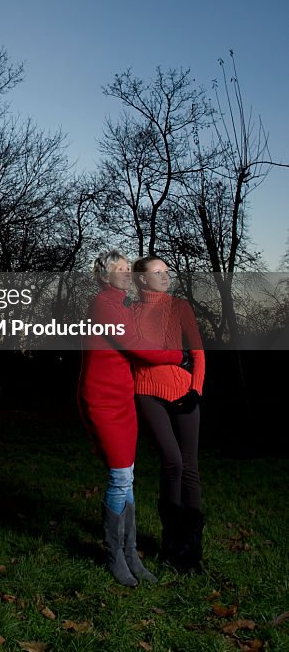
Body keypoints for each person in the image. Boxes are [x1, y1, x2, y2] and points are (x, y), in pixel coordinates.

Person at [78, 250, 189, 587]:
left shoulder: (122, 307)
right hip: (103, 399)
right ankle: (115, 555)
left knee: (127, 476)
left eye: (129, 268)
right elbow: (135, 344)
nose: (127, 273)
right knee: (120, 477)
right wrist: (176, 355)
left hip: (123, 398)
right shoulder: (103, 305)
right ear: (104, 276)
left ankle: (130, 553)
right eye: (119, 269)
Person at [132, 255, 205, 572]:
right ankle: (171, 543)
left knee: (190, 466)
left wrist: (196, 389)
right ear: (142, 279)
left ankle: (191, 549)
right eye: (157, 272)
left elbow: (198, 352)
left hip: (185, 391)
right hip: (147, 391)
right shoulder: (131, 312)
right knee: (172, 461)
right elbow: (139, 353)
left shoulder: (180, 307)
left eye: (166, 271)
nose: (164, 276)